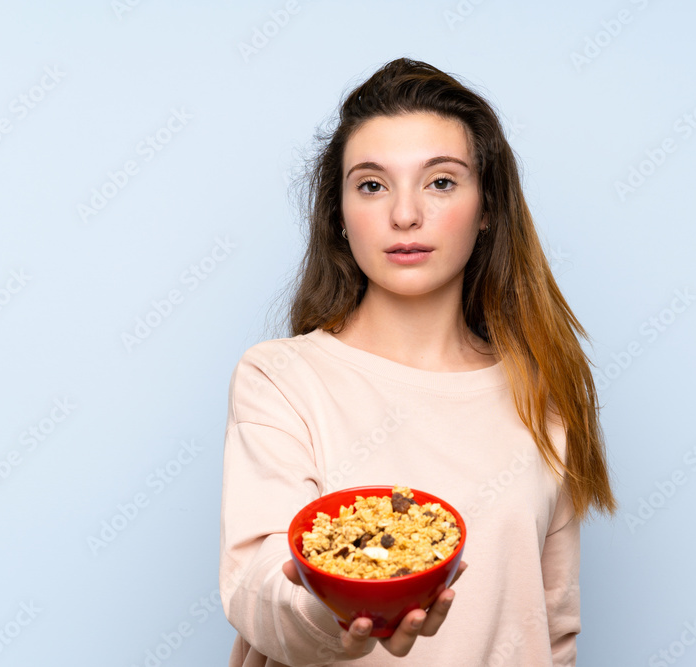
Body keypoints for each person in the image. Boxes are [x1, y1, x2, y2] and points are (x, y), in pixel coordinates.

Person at [219, 57, 618, 667]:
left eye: (440, 181)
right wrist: (333, 610)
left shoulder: (545, 392)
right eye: (372, 185)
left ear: (487, 210)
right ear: (339, 216)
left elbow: (552, 628)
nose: (404, 215)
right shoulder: (282, 379)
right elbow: (257, 587)